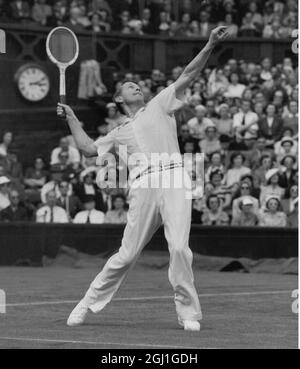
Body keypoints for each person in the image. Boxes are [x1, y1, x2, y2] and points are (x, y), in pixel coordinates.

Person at [57, 26, 229, 332]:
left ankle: (188, 313)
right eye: (129, 86)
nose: (136, 86)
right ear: (118, 98)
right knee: (127, 254)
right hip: (142, 185)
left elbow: (190, 73)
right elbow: (86, 150)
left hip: (175, 177)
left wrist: (210, 45)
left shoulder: (161, 103)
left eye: (138, 85)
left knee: (178, 247)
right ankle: (87, 302)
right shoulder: (117, 131)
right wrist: (72, 118)